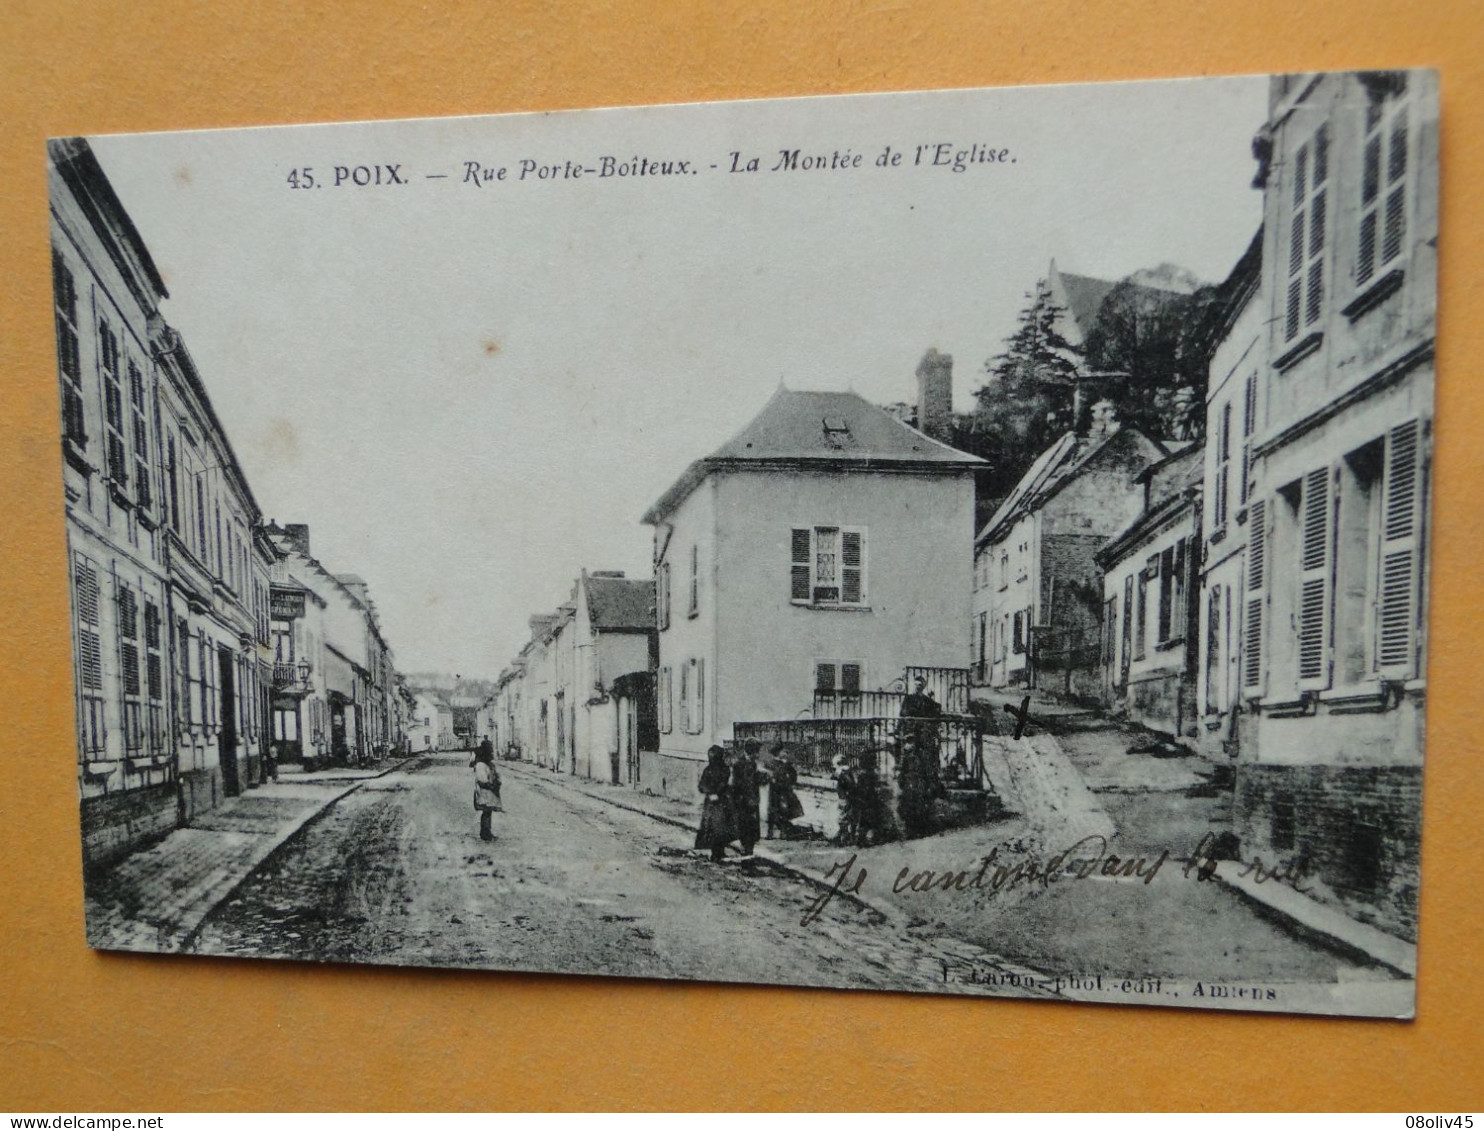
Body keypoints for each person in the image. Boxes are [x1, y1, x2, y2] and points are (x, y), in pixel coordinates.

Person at [695, 745, 733, 862]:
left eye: (714, 756)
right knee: (710, 828)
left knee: (721, 828)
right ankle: (714, 853)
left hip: (721, 802)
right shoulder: (708, 769)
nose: (712, 758)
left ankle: (720, 852)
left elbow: (724, 783)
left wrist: (717, 793)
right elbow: (701, 785)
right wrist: (709, 792)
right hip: (710, 803)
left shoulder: (725, 769)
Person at [729, 741, 764, 858]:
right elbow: (736, 784)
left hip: (753, 800)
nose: (758, 754)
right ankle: (746, 851)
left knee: (753, 828)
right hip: (743, 802)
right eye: (757, 752)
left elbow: (754, 781)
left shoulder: (753, 764)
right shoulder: (738, 764)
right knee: (745, 827)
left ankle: (749, 850)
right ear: (751, 751)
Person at [766, 744, 804, 839]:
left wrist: (790, 782)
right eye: (783, 751)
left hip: (784, 790)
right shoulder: (771, 763)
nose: (785, 753)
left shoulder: (785, 764)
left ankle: (782, 832)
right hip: (775, 790)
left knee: (783, 811)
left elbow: (793, 776)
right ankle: (771, 832)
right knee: (773, 810)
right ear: (778, 753)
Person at [472, 741, 502, 841]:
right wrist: (491, 785)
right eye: (490, 749)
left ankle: (487, 831)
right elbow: (482, 780)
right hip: (484, 792)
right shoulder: (480, 764)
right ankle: (485, 833)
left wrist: (497, 782)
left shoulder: (488, 764)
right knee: (486, 811)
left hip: (489, 791)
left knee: (488, 812)